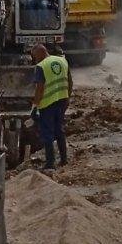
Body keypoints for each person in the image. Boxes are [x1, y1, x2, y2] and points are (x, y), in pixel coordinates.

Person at [31, 42, 72, 170]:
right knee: (59, 130)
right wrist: (67, 97)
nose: (34, 59)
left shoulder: (41, 66)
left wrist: (35, 106)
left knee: (47, 132)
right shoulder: (62, 61)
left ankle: (50, 163)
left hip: (48, 103)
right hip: (62, 100)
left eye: (34, 56)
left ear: (41, 53)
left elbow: (40, 88)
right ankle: (64, 159)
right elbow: (70, 81)